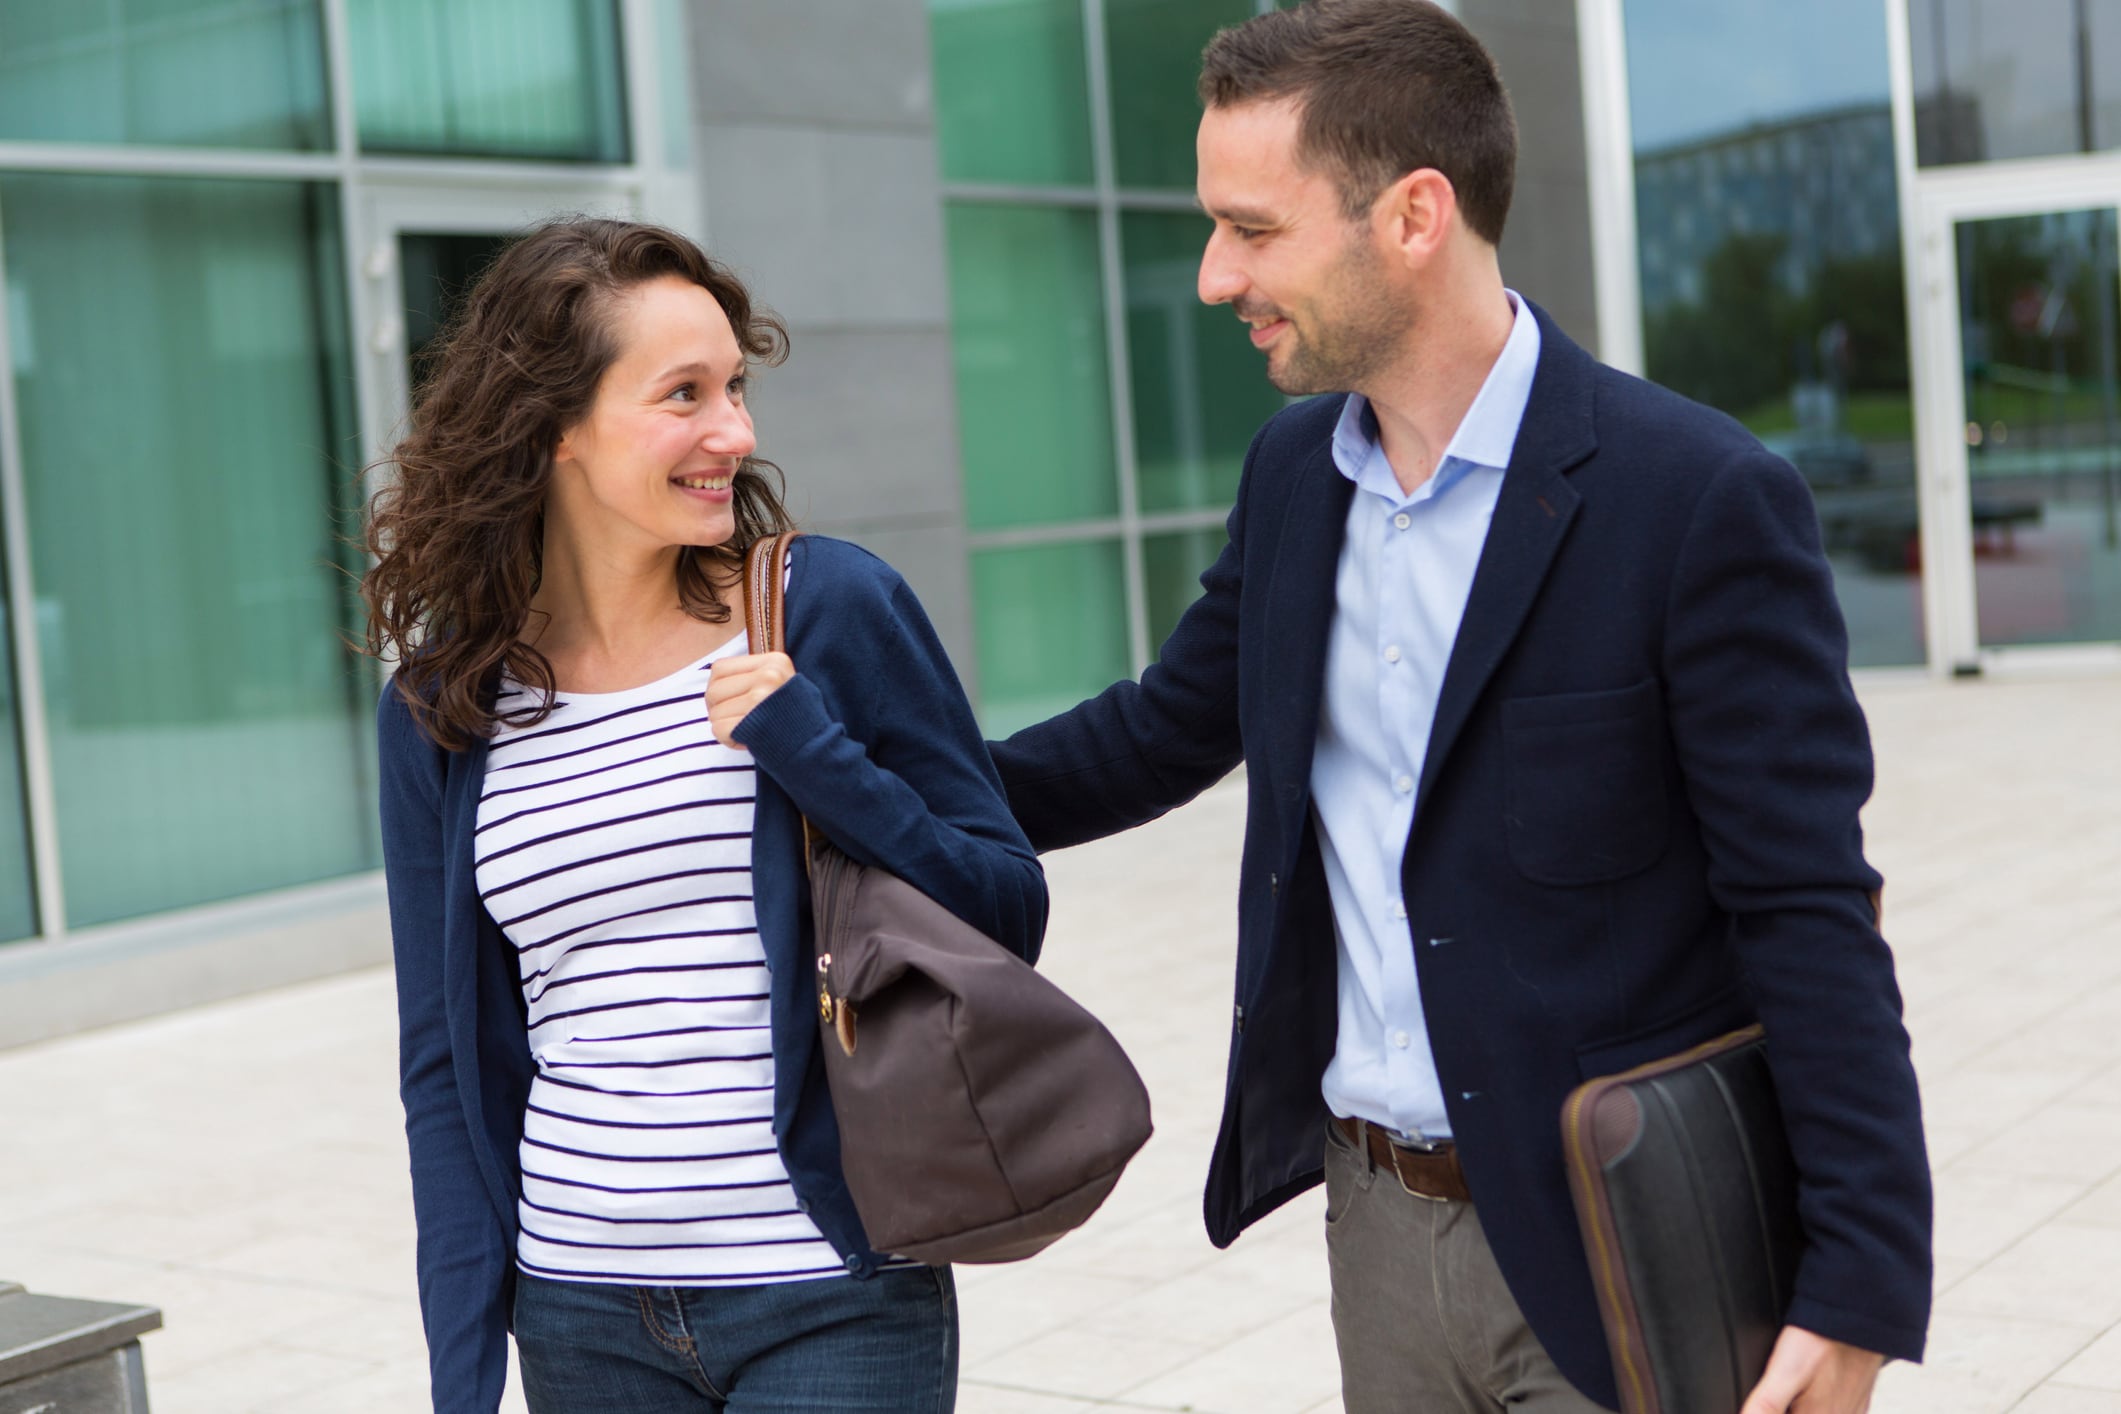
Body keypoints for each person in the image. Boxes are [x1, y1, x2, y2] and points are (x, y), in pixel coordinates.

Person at [989, 4, 1930, 1412]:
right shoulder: (1296, 476)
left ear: (1413, 216)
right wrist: (860, 779)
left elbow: (1805, 906)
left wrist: (1855, 1282)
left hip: (1626, 1237)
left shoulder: (1696, 500)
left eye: (1252, 229)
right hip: (1377, 1226)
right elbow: (1152, 733)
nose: (1210, 276)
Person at [364, 217, 1044, 1414]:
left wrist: (809, 751)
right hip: (579, 1306)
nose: (733, 430)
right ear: (554, 427)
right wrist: (462, 1366)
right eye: (684, 394)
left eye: (735, 386)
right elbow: (442, 1059)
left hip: (828, 1287)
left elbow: (1004, 905)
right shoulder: (444, 704)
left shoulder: (826, 607)